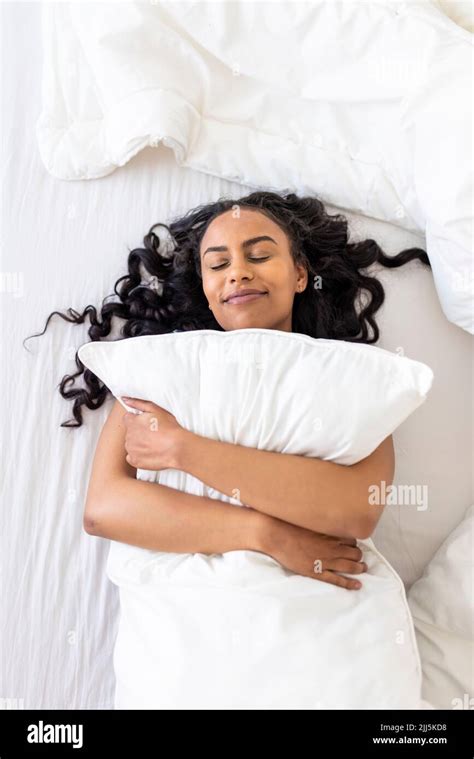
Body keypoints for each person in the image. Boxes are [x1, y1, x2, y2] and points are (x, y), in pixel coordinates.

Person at [23, 191, 430, 589]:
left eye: (259, 256)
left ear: (301, 274)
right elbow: (104, 509)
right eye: (218, 264)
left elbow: (357, 511)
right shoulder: (159, 367)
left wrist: (181, 449)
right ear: (205, 286)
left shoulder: (350, 372)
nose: (238, 272)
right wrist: (267, 535)